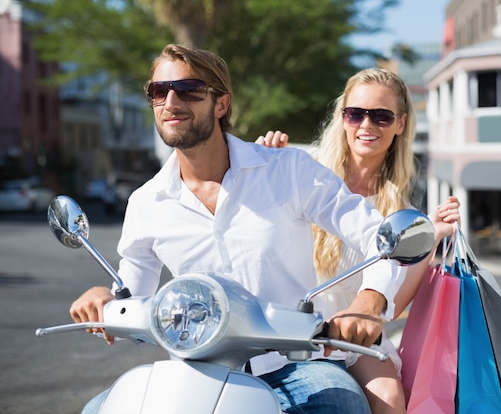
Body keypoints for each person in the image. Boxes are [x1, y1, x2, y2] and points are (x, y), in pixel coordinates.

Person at [69, 44, 415, 414]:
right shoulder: (146, 201)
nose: (171, 102)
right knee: (98, 410)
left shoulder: (289, 170)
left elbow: (383, 236)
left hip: (295, 366)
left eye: (188, 89)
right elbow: (131, 293)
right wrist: (103, 300)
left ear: (221, 104)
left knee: (339, 402)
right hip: (197, 371)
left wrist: (369, 301)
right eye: (158, 91)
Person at [257, 67, 460, 414]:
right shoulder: (302, 174)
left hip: (357, 337)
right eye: (356, 114)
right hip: (292, 327)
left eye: (381, 117)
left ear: (400, 124)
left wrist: (432, 237)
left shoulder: (401, 211)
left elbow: (392, 307)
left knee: (390, 400)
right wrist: (265, 167)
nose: (366, 125)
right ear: (343, 117)